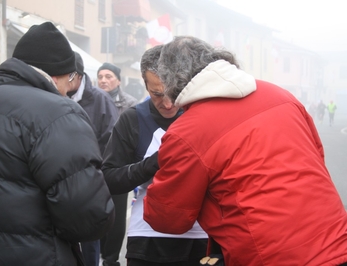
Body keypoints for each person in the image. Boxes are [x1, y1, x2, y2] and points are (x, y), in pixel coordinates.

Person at [143, 36, 347, 266]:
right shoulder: (281, 95)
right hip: (335, 240)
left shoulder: (188, 131)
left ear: (171, 82)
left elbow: (169, 218)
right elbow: (317, 156)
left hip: (268, 255)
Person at [0, 22, 115, 266]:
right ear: (58, 75)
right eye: (70, 84)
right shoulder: (60, 113)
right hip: (35, 255)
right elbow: (89, 218)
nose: (68, 93)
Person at [102, 45, 212, 266]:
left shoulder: (203, 114)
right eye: (157, 94)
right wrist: (154, 163)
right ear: (145, 84)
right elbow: (109, 180)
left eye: (174, 93)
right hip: (148, 238)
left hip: (202, 236)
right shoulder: (132, 119)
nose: (168, 103)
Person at [68, 51, 119, 266]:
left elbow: (111, 140)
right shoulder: (56, 96)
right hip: (64, 176)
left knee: (89, 235)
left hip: (92, 176)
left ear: (77, 76)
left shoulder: (100, 99)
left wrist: (94, 168)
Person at [97, 62, 138, 266]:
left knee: (116, 214)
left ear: (118, 80)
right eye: (100, 76)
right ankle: (99, 252)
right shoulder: (93, 101)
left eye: (108, 76)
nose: (103, 80)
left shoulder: (130, 104)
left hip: (119, 167)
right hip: (95, 167)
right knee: (96, 211)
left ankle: (111, 259)